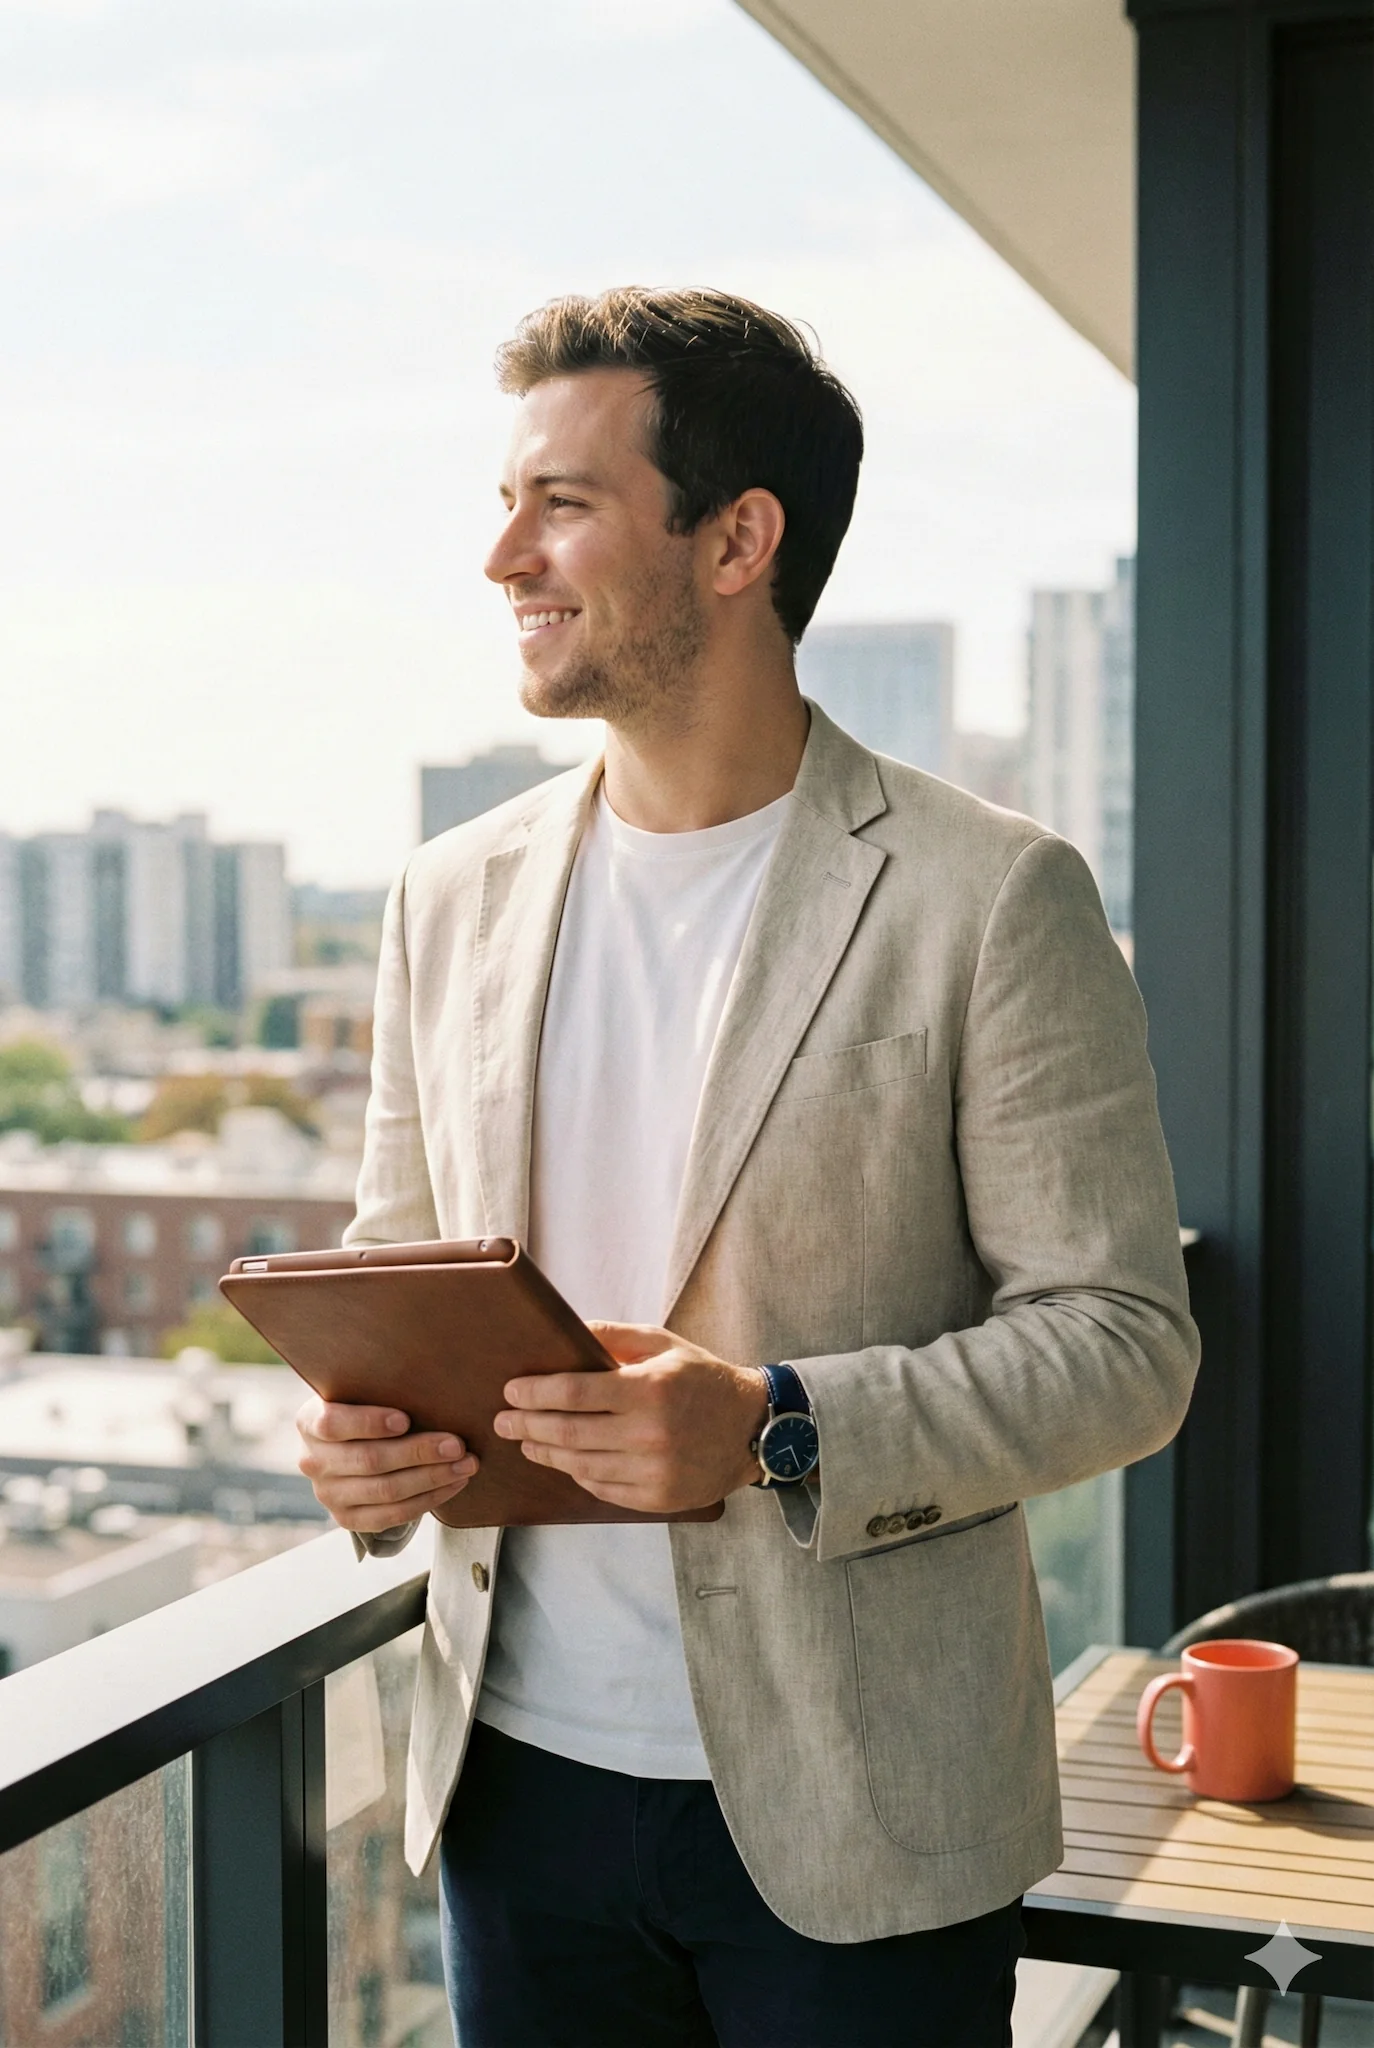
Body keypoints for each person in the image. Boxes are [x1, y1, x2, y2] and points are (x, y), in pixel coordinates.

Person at [296, 287, 1198, 2048]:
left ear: (737, 540)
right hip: (517, 1784)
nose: (501, 557)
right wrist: (359, 1442)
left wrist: (777, 1423)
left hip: (865, 1810)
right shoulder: (445, 895)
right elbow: (392, 1271)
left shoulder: (988, 893)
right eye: (505, 500)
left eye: (558, 501)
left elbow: (1122, 1339)